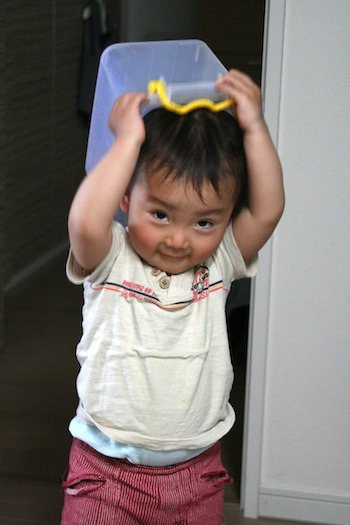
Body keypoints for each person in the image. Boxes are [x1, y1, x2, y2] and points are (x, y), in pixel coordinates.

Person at [61, 69, 284, 525]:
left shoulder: (219, 261)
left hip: (196, 474)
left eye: (204, 222)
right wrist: (127, 141)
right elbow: (84, 224)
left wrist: (255, 129)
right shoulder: (110, 257)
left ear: (224, 220)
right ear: (126, 197)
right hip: (107, 475)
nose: (179, 239)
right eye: (160, 214)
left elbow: (267, 210)